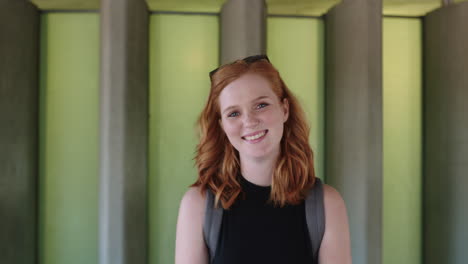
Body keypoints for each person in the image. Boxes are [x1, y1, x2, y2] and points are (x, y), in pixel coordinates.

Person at [175, 55, 351, 264]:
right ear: (222, 125)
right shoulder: (198, 205)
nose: (249, 121)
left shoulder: (327, 204)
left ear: (284, 109)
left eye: (261, 105)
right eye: (233, 113)